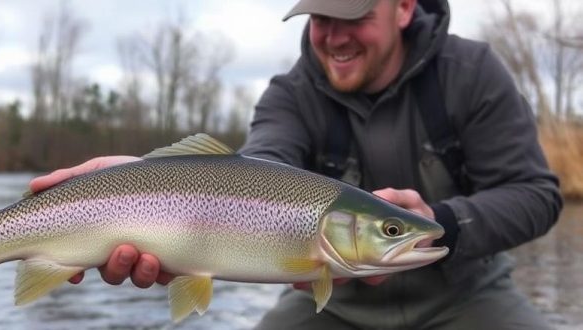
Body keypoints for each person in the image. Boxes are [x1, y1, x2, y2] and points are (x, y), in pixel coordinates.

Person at [29, 0, 563, 328]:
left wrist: (442, 222)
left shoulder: (472, 73)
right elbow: (260, 166)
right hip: (331, 308)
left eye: (353, 15)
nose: (333, 36)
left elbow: (535, 194)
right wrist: (150, 183)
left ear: (403, 6)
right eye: (319, 17)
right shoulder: (289, 94)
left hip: (467, 295)